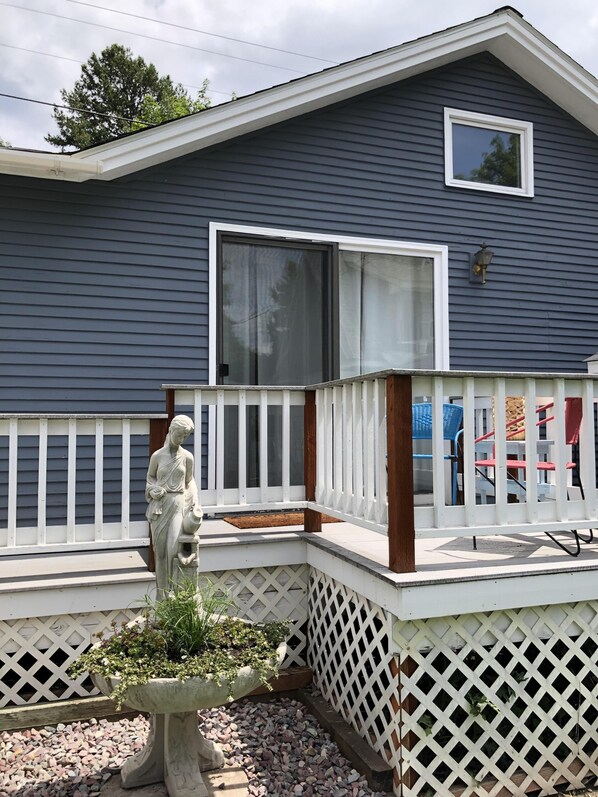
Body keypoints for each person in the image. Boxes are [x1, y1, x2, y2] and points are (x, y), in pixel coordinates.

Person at [145, 415, 200, 595]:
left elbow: (190, 482)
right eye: (180, 434)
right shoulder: (157, 456)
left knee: (173, 550)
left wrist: (195, 502)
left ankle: (174, 591)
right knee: (160, 553)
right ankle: (162, 595)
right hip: (159, 507)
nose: (182, 439)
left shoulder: (187, 457)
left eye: (185, 436)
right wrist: (152, 490)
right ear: (171, 430)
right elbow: (150, 478)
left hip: (178, 505)